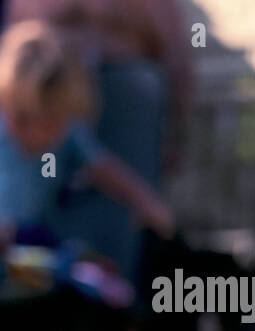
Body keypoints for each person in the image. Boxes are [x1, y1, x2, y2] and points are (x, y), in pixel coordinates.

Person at [0, 20, 173, 245]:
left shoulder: (68, 135)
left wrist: (148, 204)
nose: (45, 133)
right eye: (24, 119)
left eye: (56, 122)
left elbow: (104, 168)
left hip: (32, 250)